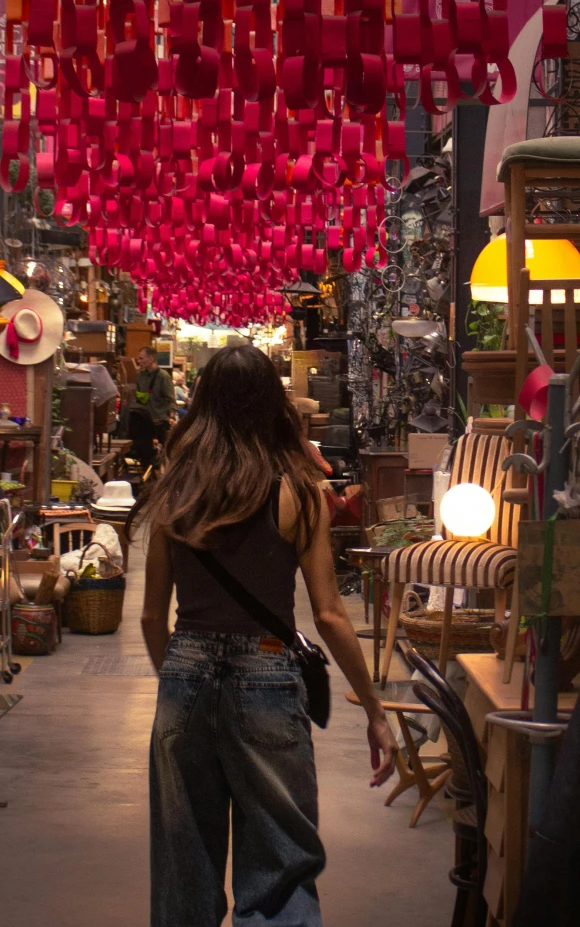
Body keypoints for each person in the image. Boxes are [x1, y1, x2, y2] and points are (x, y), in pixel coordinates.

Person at [131, 345, 398, 927]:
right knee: (278, 865)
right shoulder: (296, 492)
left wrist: (180, 675)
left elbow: (153, 617)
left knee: (184, 866)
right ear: (270, 406)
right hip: (269, 676)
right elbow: (328, 614)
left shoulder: (175, 489)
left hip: (186, 673)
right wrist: (375, 709)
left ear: (203, 403)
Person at [132, 346, 176, 467]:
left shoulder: (163, 376)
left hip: (160, 421)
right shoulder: (140, 375)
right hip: (144, 422)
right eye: (138, 359)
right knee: (145, 455)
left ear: (151, 359)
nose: (139, 361)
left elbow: (171, 399)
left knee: (164, 454)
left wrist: (171, 417)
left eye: (141, 358)